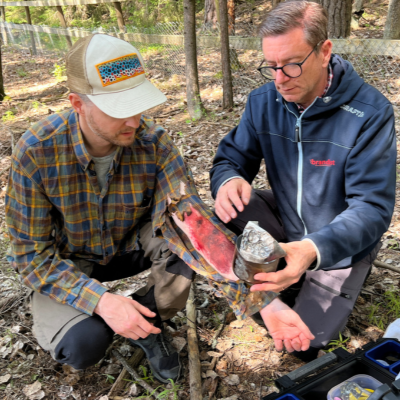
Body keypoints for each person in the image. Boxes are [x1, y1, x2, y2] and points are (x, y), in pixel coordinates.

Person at [5, 33, 314, 381]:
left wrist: (264, 305)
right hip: (71, 259)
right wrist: (102, 301)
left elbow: (195, 226)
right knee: (82, 344)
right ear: (78, 104)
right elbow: (30, 258)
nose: (134, 122)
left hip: (132, 245)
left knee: (181, 254)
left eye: (138, 106)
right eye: (119, 111)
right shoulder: (37, 152)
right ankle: (109, 322)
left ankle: (149, 327)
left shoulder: (154, 144)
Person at [211, 0, 396, 361]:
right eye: (272, 66)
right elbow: (232, 157)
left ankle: (307, 274)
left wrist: (310, 250)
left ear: (325, 51)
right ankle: (281, 276)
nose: (280, 79)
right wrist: (227, 178)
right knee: (227, 205)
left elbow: (372, 208)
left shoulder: (370, 113)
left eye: (293, 64)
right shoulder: (263, 101)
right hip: (285, 219)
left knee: (306, 344)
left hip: (339, 244)